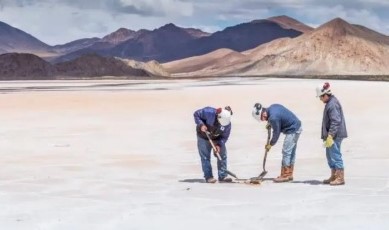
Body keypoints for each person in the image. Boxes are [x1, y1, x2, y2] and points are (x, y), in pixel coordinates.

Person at [252, 103, 302, 183]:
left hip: (292, 130)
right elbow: (279, 117)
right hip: (297, 126)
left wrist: (270, 144)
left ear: (263, 114)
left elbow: (276, 133)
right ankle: (289, 174)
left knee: (286, 151)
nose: (263, 120)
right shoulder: (272, 107)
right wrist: (270, 123)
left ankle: (285, 175)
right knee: (291, 152)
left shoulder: (273, 118)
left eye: (262, 119)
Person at [316, 82, 347, 186]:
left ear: (325, 95)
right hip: (331, 135)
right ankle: (334, 175)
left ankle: (340, 177)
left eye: (320, 97)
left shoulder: (332, 104)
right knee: (330, 155)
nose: (320, 99)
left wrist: (330, 135)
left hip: (335, 135)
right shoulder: (329, 103)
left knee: (335, 154)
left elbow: (336, 121)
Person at [193, 106, 233, 183]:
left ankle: (223, 176)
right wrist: (201, 125)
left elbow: (224, 137)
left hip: (217, 138)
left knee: (222, 155)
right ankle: (209, 177)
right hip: (203, 136)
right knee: (205, 157)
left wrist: (219, 145)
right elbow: (196, 114)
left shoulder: (227, 124)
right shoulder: (209, 112)